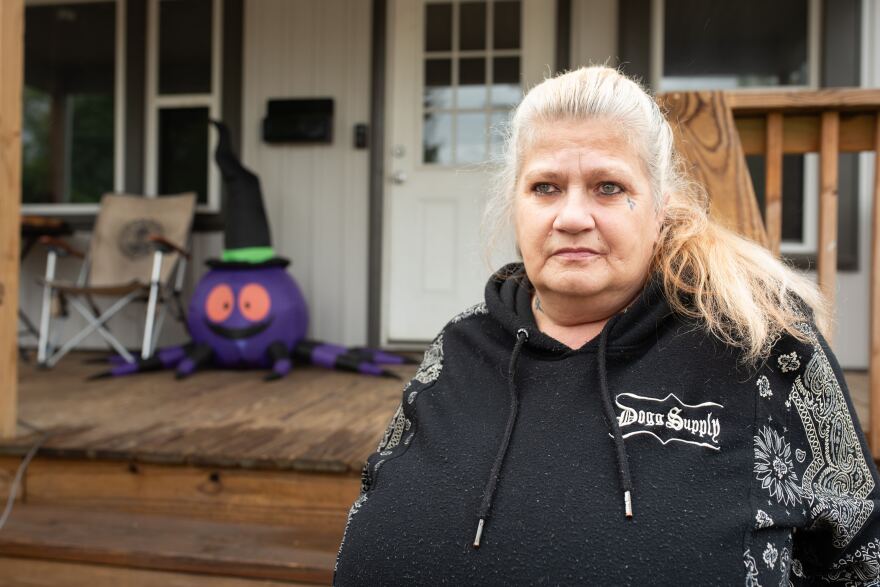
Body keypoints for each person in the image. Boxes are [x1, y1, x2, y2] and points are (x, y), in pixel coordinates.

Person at [333, 66, 880, 585]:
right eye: (545, 187)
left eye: (608, 187)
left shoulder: (756, 342)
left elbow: (862, 557)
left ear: (661, 208)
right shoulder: (461, 344)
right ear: (515, 204)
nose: (571, 217)